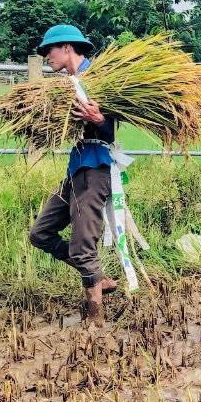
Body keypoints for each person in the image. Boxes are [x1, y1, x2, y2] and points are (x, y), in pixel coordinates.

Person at [27, 24, 118, 322]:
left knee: (82, 249)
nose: (46, 56)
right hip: (76, 169)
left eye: (49, 50)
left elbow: (110, 129)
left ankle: (95, 318)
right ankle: (98, 278)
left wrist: (99, 117)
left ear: (67, 47)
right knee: (40, 234)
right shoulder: (70, 83)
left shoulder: (99, 78)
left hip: (95, 171)